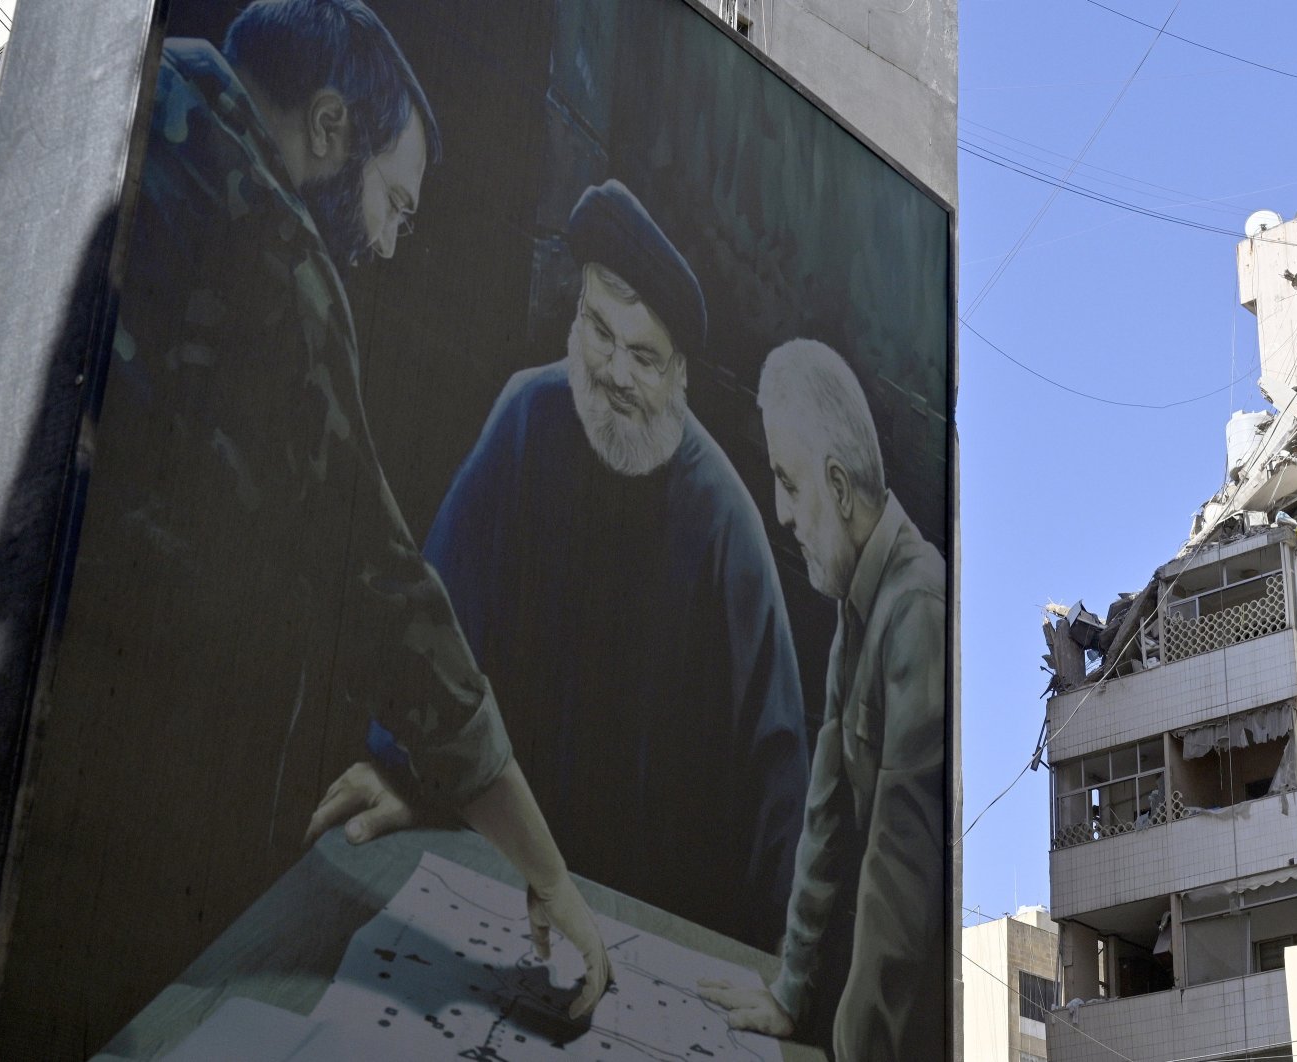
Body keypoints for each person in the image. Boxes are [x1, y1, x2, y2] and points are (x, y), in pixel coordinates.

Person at [48, 0, 606, 1019]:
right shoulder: (271, 250)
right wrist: (548, 871)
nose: (390, 247)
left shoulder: (142, 86)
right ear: (331, 126)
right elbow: (382, 589)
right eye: (396, 202)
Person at [359, 179, 810, 950]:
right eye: (599, 331)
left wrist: (778, 969)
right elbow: (433, 630)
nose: (612, 372)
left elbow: (779, 783)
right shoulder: (526, 419)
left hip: (660, 930)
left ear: (679, 377)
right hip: (493, 874)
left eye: (642, 355)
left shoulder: (726, 522)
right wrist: (401, 779)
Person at [700, 339, 947, 1059]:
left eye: (787, 480)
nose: (779, 512)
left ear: (838, 487)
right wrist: (789, 990)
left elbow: (896, 882)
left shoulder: (917, 611)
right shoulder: (859, 607)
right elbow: (826, 817)